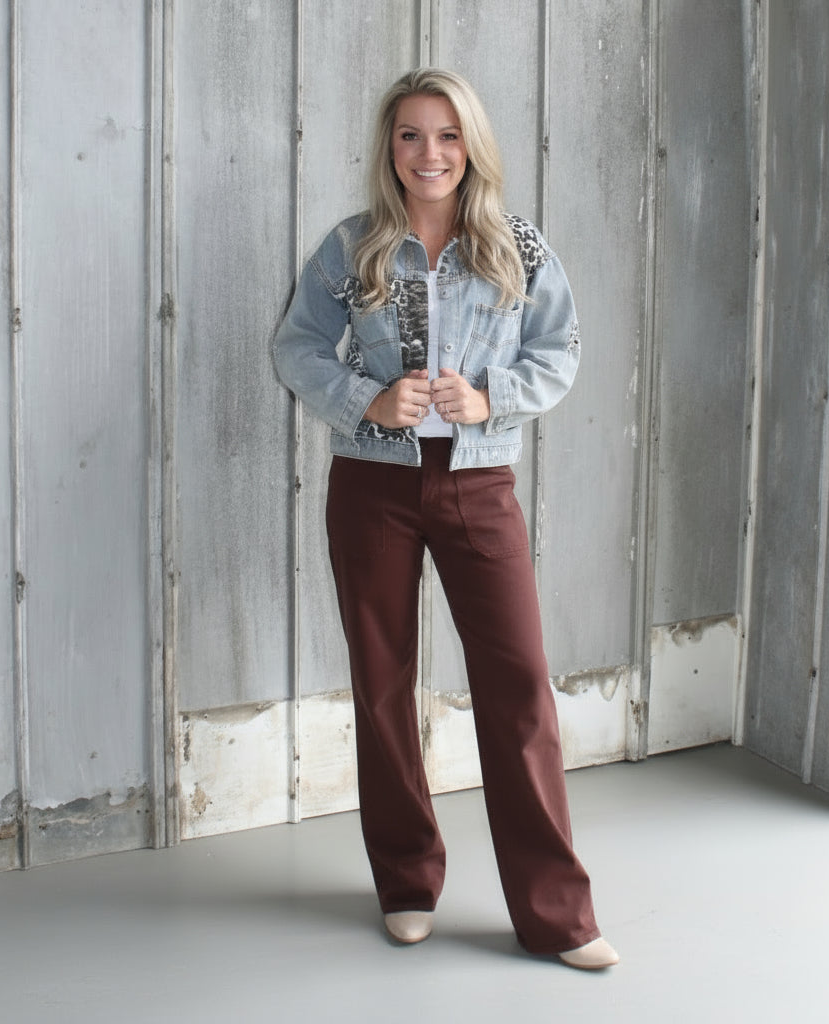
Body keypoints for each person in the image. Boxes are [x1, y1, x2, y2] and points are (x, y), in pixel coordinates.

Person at [274, 67, 618, 970]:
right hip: (373, 488)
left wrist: (492, 396)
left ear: (472, 146)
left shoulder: (516, 246)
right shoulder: (353, 248)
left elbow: (563, 347)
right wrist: (364, 400)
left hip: (477, 486)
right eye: (410, 136)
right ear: (389, 149)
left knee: (520, 689)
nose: (430, 154)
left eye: (448, 135)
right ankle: (406, 881)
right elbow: (297, 345)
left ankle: (558, 916)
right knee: (383, 687)